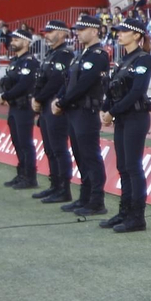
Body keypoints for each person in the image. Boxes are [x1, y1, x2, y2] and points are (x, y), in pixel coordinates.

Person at [100, 17, 151, 233]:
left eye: (124, 31)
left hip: (135, 117)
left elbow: (136, 91)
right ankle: (125, 211)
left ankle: (137, 216)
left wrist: (112, 112)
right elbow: (112, 89)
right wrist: (105, 108)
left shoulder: (143, 59)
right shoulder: (123, 60)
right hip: (122, 118)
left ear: (136, 35)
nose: (119, 35)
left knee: (133, 167)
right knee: (123, 166)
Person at [53, 13, 111, 218]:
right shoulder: (81, 55)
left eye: (82, 29)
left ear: (94, 31)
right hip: (74, 110)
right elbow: (69, 81)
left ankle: (96, 200)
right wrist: (60, 98)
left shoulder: (98, 55)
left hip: (87, 111)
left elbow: (84, 84)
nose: (78, 33)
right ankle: (85, 196)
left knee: (90, 156)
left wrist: (62, 102)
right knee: (80, 154)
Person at [31, 20, 75, 205]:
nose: (46, 35)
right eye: (45, 32)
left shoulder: (64, 54)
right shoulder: (51, 54)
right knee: (50, 149)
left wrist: (39, 98)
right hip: (46, 105)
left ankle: (64, 189)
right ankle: (55, 185)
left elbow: (56, 80)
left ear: (62, 33)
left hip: (55, 105)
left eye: (50, 32)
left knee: (58, 148)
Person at [0, 27, 40, 188]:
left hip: (24, 106)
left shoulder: (30, 62)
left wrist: (5, 96)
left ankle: (30, 177)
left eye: (17, 39)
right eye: (13, 39)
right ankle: (21, 174)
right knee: (17, 141)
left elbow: (24, 84)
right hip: (14, 106)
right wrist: (7, 95)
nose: (12, 42)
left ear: (26, 42)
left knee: (25, 142)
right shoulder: (15, 61)